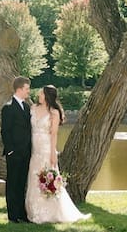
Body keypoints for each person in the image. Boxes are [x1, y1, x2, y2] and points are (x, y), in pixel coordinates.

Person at [25, 84, 90, 224]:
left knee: (47, 177)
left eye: (41, 94)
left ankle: (49, 212)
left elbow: (54, 134)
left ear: (48, 96)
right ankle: (33, 211)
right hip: (34, 148)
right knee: (33, 176)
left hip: (46, 148)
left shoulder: (54, 112)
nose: (39, 96)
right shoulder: (33, 108)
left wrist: (53, 153)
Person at [0, 76, 33, 223]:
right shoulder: (8, 107)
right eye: (27, 89)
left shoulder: (26, 107)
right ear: (19, 89)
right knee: (12, 184)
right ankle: (12, 215)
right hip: (14, 153)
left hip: (26, 152)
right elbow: (5, 131)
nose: (28, 91)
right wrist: (11, 150)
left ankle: (21, 214)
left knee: (21, 184)